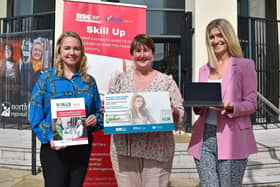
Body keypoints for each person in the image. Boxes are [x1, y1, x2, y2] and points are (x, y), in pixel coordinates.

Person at [187, 18, 258, 187]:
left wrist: (231, 106)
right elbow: (202, 102)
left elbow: (252, 103)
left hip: (233, 138)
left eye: (220, 35)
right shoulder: (203, 70)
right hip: (204, 138)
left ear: (228, 37)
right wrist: (195, 104)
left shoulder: (245, 66)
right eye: (211, 37)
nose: (216, 40)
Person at [108, 34, 185, 187]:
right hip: (125, 151)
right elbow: (111, 112)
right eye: (138, 51)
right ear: (132, 54)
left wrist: (174, 112)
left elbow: (181, 116)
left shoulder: (166, 81)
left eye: (146, 50)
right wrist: (108, 112)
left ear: (153, 53)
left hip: (157, 151)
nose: (142, 55)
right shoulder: (119, 80)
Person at [29, 31, 103, 187]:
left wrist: (95, 119)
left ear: (81, 52)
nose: (72, 53)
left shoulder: (89, 82)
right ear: (59, 51)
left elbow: (99, 113)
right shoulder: (46, 79)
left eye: (76, 49)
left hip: (81, 150)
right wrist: (49, 137)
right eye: (67, 48)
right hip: (54, 150)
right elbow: (35, 114)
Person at [20, 39, 44, 104]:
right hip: (27, 102)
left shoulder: (44, 70)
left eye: (39, 51)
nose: (37, 52)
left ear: (42, 54)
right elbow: (22, 88)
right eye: (35, 50)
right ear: (31, 52)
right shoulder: (25, 67)